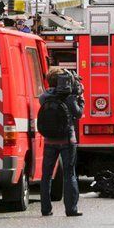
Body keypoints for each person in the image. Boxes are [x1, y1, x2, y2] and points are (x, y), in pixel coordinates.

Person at [39, 68, 83, 217]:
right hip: (67, 140)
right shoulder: (69, 97)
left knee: (46, 175)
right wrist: (80, 99)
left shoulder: (44, 97)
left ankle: (46, 209)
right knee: (69, 174)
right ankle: (71, 209)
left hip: (49, 140)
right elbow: (78, 114)